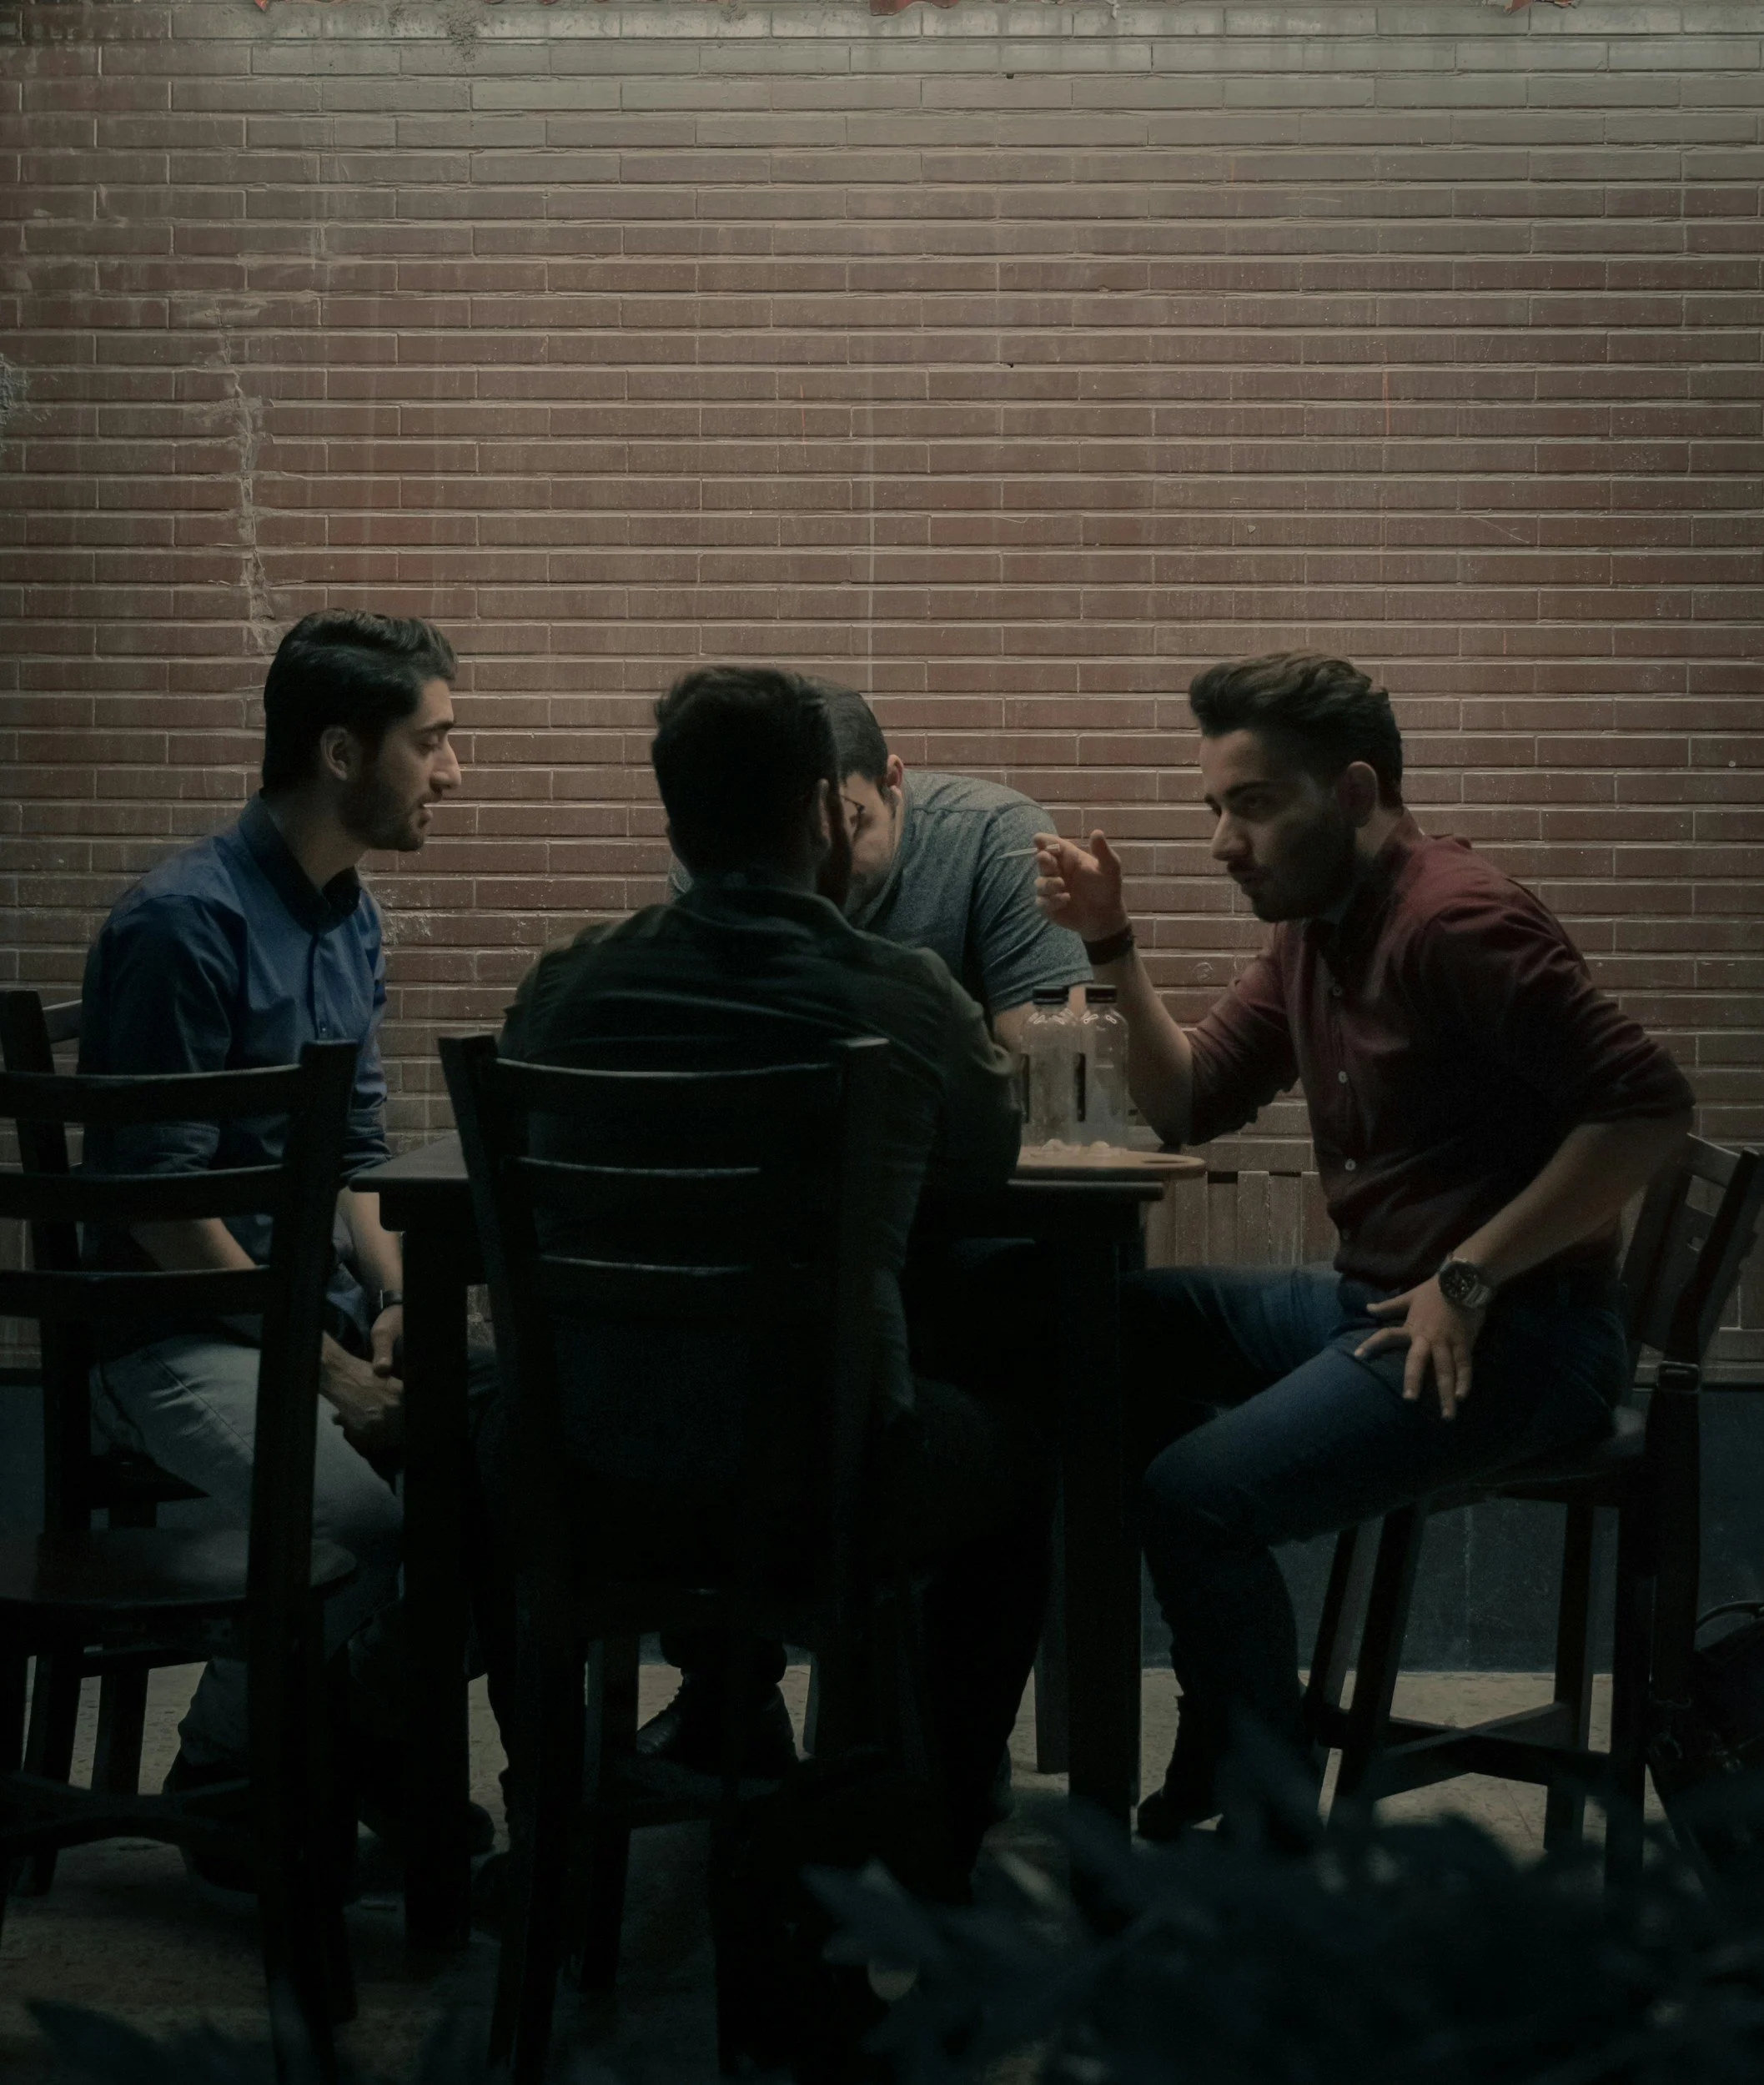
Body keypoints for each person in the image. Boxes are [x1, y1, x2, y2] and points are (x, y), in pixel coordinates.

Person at [1033, 650, 1694, 1840]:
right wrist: (1110, 945)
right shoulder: (1312, 929)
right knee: (1113, 1327)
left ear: (1348, 794)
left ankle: (1267, 1804)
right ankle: (1236, 1720)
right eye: (1211, 809)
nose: (1221, 842)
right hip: (1374, 1307)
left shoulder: (1454, 921)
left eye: (1249, 805)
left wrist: (1471, 1272)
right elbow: (1187, 1102)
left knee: (1192, 1497)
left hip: (1515, 1342)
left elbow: (1646, 1108)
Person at [497, 664, 1053, 1871]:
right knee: (1022, 1459)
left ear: (673, 821)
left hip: (588, 1475)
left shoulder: (563, 986)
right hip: (822, 1481)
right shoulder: (901, 995)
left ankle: (568, 1822)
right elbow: (993, 1153)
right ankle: (944, 1815)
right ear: (820, 811)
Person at [78, 610, 494, 1887]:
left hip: (289, 1319)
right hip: (169, 1340)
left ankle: (334, 1737)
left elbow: (357, 1165)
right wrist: (322, 1369)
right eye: (432, 743)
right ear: (337, 750)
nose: (454, 773)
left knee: (515, 1469)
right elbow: (156, 1206)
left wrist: (400, 1304)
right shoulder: (180, 925)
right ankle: (226, 1766)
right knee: (362, 1529)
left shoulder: (347, 914)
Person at [671, 678, 1089, 1049]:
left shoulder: (992, 834)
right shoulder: (724, 852)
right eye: (795, 837)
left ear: (891, 781)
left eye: (850, 826)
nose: (819, 866)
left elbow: (1057, 1062)